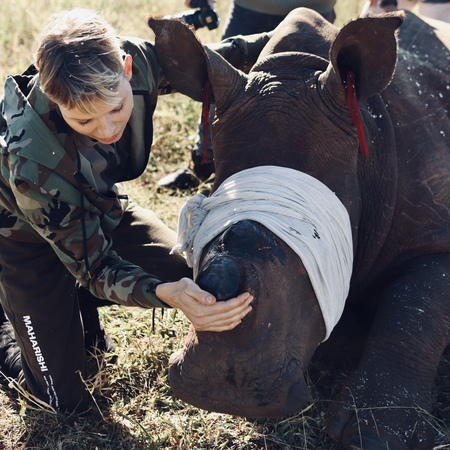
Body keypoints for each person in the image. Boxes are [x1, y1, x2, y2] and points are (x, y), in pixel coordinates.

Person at [0, 8, 254, 413]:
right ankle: (11, 315)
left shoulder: (136, 62)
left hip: (98, 211)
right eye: (84, 119)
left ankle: (75, 306)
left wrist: (294, 43)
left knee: (201, 278)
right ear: (53, 97)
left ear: (127, 68)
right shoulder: (33, 158)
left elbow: (216, 62)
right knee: (62, 403)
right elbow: (95, 268)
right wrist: (163, 294)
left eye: (116, 108)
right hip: (26, 243)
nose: (106, 130)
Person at [157, 0, 337, 190]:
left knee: (307, 98)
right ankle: (204, 165)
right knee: (218, 84)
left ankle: (294, 176)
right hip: (249, 9)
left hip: (314, 12)